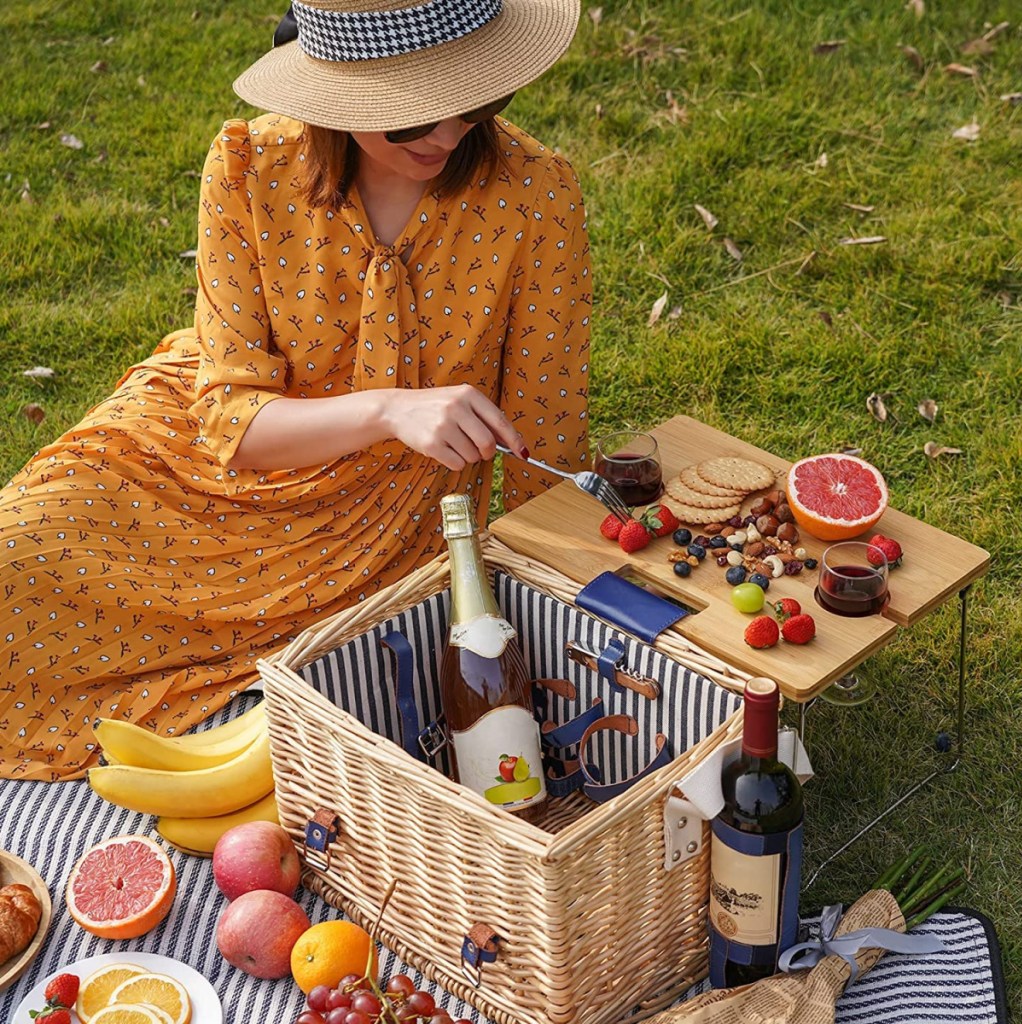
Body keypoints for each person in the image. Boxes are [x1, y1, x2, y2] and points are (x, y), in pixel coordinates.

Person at [0, 0, 591, 781]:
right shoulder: (248, 163)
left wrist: (548, 613)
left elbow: (544, 436)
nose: (448, 138)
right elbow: (230, 421)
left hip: (373, 529)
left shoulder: (536, 194)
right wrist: (390, 408)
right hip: (194, 467)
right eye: (412, 120)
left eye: (477, 104)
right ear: (338, 94)